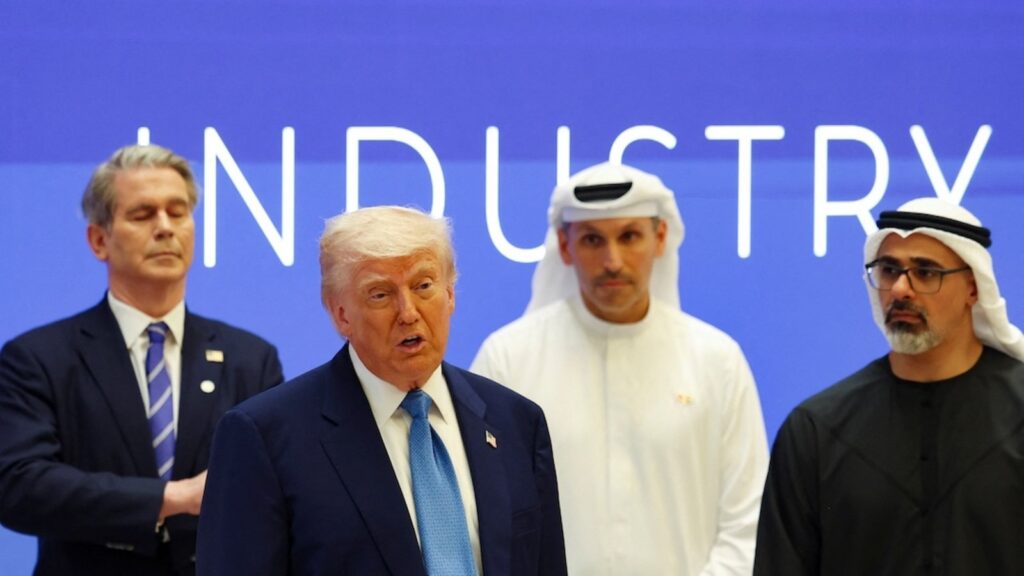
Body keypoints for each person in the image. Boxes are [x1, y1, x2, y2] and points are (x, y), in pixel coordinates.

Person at [197, 205, 567, 576]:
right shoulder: (265, 437)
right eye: (380, 294)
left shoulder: (516, 422)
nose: (408, 312)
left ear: (451, 294)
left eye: (423, 286)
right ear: (341, 314)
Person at [471, 162, 769, 574]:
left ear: (660, 238)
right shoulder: (508, 359)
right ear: (565, 246)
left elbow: (746, 523)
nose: (612, 261)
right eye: (593, 239)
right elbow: (483, 514)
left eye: (629, 236)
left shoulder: (717, 360)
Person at [0, 144, 284, 576]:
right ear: (99, 240)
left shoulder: (251, 359)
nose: (165, 228)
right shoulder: (38, 358)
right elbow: (18, 486)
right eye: (142, 215)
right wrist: (174, 498)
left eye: (178, 212)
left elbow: (277, 490)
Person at [754, 198, 1024, 575]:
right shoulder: (816, 430)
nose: (900, 289)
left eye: (925, 272)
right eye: (889, 270)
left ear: (973, 288)